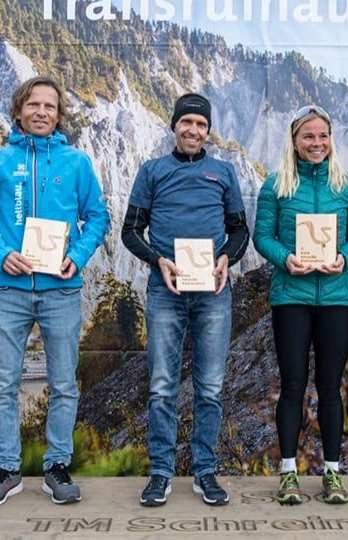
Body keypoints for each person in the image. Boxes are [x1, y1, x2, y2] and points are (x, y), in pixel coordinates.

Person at [0, 76, 110, 507]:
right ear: (18, 111)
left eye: (50, 106)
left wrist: (77, 257)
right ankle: (6, 469)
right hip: (9, 288)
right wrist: (1, 252)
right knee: (3, 383)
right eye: (34, 105)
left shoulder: (77, 163)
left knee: (64, 383)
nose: (42, 112)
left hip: (61, 289)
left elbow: (97, 218)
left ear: (59, 114)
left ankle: (56, 468)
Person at [121, 92, 249, 507]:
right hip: (167, 290)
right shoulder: (152, 171)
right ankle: (160, 473)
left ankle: (205, 472)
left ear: (208, 131)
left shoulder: (224, 172)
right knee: (161, 387)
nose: (193, 130)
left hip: (212, 291)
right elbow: (130, 231)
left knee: (209, 387)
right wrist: (158, 261)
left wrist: (227, 257)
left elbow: (239, 231)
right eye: (186, 123)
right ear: (174, 126)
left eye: (201, 124)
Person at [252, 105, 348, 505]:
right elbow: (262, 237)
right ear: (294, 140)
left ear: (330, 139)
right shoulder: (276, 186)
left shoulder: (347, 185)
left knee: (331, 389)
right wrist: (286, 258)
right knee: (293, 387)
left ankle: (333, 474)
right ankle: (288, 473)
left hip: (336, 297)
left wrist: (345, 259)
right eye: (308, 136)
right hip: (291, 298)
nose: (317, 143)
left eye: (323, 136)